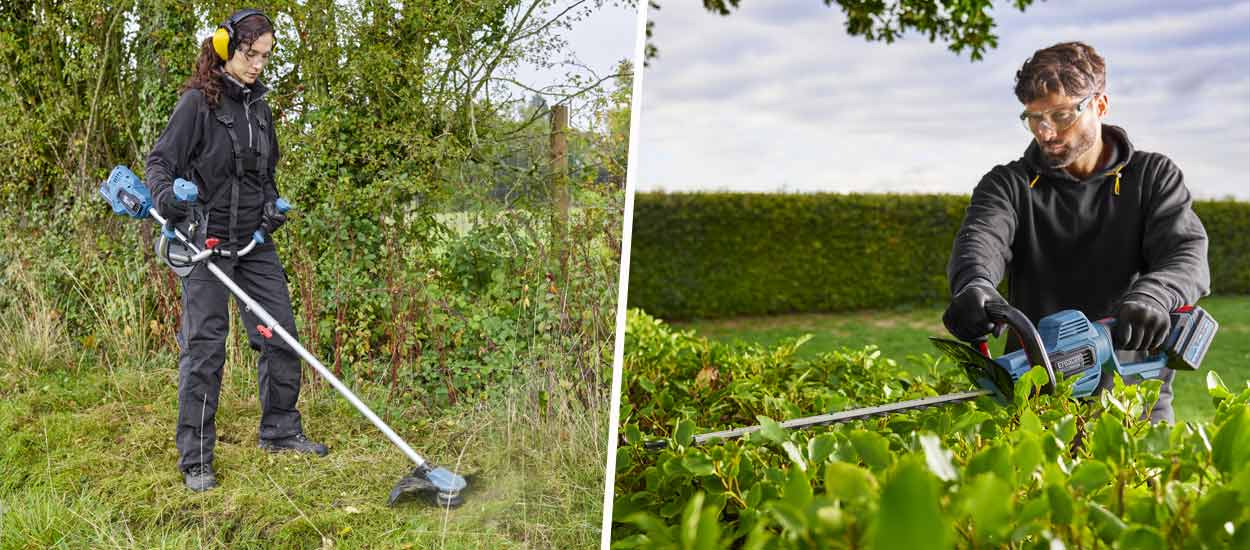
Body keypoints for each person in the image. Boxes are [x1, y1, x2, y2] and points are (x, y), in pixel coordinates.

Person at [943, 41, 1209, 424]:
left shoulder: (1152, 176)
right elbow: (981, 240)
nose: (1046, 132)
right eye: (1033, 118)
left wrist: (1154, 296)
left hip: (1135, 400)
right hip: (1039, 398)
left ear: (1099, 105)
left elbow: (1186, 253)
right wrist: (974, 286)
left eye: (1062, 115)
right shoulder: (1008, 184)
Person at [146, 9, 328, 493]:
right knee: (205, 347)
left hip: (252, 243)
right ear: (227, 48)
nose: (257, 65)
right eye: (250, 54)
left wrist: (271, 207)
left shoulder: (259, 109)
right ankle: (197, 459)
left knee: (280, 333)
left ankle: (280, 430)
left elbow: (264, 174)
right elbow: (161, 162)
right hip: (205, 243)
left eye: (265, 57)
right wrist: (167, 201)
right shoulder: (196, 104)